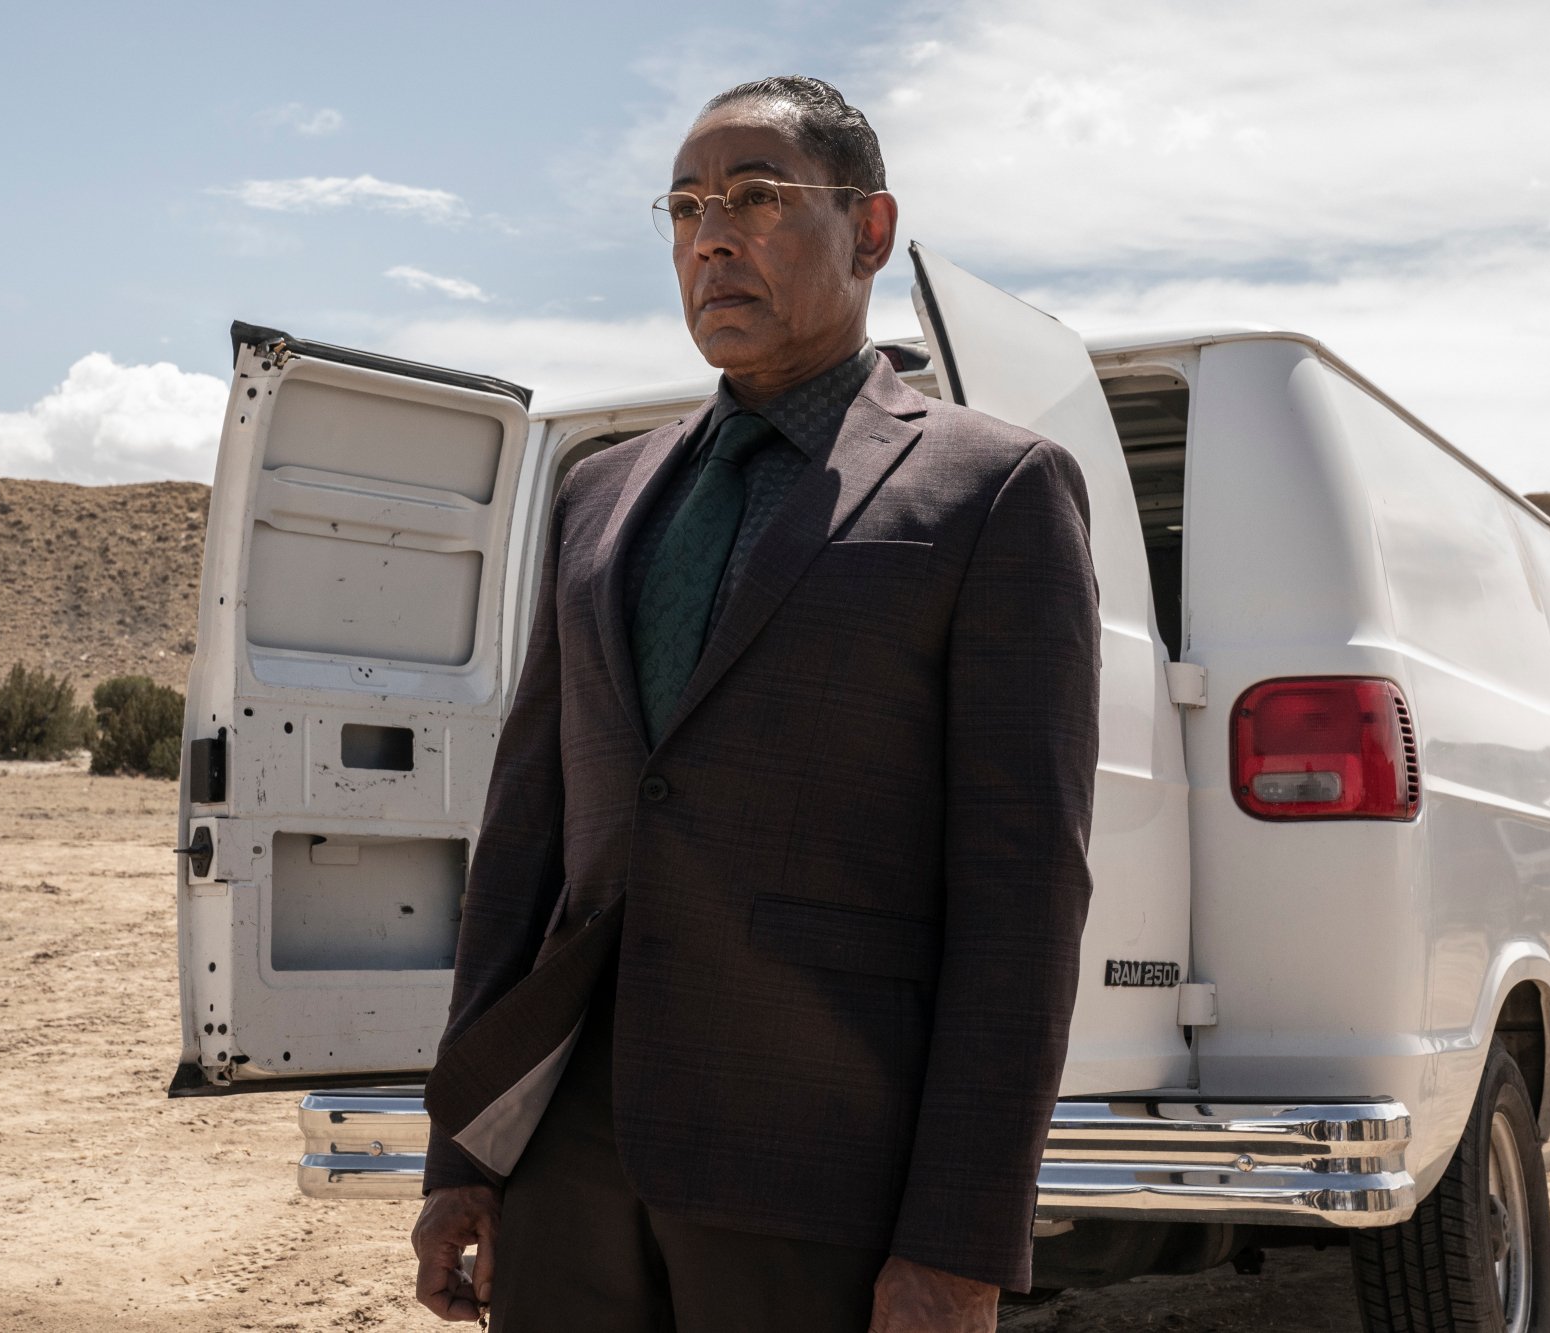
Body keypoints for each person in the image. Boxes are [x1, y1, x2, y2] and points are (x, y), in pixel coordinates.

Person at [409, 74, 1101, 1333]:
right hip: (568, 1172)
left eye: (754, 197)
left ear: (869, 231)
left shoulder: (991, 491)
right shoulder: (598, 495)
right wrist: (463, 1155)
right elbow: (523, 844)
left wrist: (958, 1241)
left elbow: (1020, 899)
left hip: (823, 1181)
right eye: (682, 208)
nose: (708, 236)